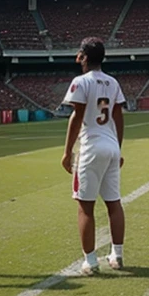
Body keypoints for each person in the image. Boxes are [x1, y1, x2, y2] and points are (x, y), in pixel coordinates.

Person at [60, 37, 126, 274]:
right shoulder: (112, 82)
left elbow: (77, 116)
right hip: (110, 146)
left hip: (90, 147)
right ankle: (117, 255)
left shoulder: (81, 82)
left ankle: (90, 260)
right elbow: (118, 116)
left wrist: (67, 151)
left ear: (84, 56)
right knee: (114, 203)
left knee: (85, 206)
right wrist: (118, 148)